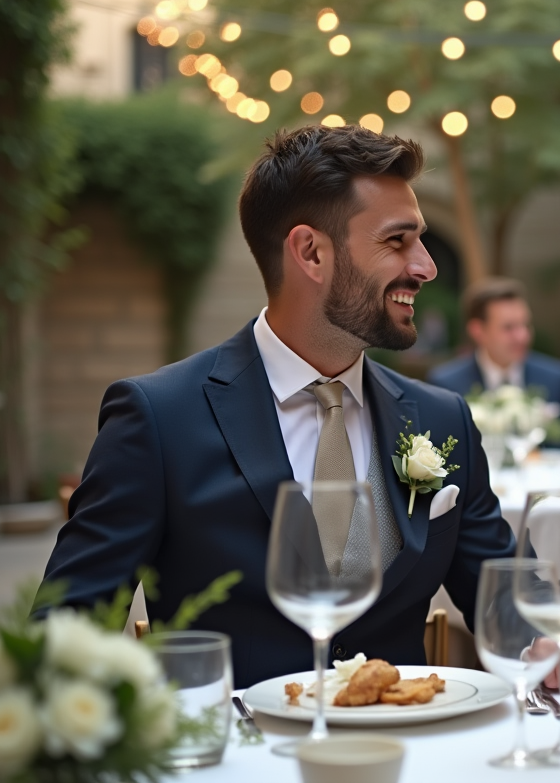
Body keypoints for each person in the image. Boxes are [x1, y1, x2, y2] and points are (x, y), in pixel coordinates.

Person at [39, 126, 517, 688]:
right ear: (311, 252)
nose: (426, 267)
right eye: (397, 241)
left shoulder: (442, 419)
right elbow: (67, 635)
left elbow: (507, 601)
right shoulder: (158, 419)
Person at [428, 277, 560, 448]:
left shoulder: (555, 377)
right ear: (478, 331)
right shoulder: (446, 385)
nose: (522, 336)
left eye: (526, 325)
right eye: (509, 328)